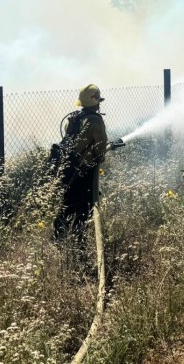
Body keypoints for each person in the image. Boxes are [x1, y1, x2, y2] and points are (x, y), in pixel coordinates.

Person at [53, 84, 108, 248]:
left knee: (68, 205)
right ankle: (78, 244)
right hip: (85, 172)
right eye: (99, 100)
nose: (100, 104)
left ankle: (59, 240)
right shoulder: (95, 120)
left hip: (69, 170)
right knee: (84, 208)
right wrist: (99, 156)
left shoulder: (74, 118)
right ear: (95, 101)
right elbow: (100, 147)